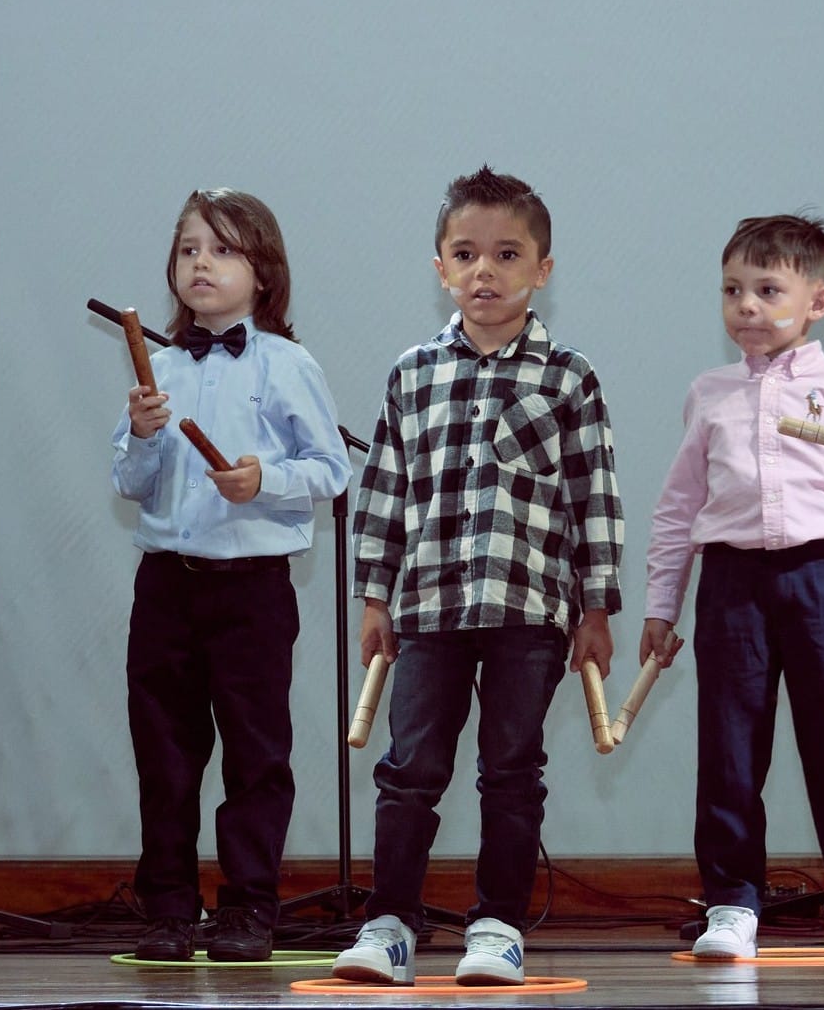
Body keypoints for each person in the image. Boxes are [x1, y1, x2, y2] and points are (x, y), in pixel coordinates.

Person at [337, 166, 621, 986]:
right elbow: (385, 489)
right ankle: (389, 923)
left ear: (542, 270)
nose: (484, 271)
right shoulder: (412, 373)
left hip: (529, 610)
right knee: (408, 770)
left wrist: (595, 606)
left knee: (510, 769)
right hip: (426, 608)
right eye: (465, 254)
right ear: (440, 269)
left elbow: (591, 495)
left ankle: (495, 925)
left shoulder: (567, 375)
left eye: (506, 254)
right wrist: (373, 595)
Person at [641, 214, 824, 962]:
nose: (746, 306)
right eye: (732, 290)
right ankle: (731, 902)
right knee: (729, 752)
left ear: (816, 301)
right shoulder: (709, 393)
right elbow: (677, 509)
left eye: (767, 289)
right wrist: (661, 606)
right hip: (731, 584)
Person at [111, 189, 350, 963]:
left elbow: (330, 469)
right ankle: (168, 911)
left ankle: (249, 909)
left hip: (251, 590)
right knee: (166, 755)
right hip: (166, 586)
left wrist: (264, 480)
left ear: (264, 270)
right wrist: (143, 438)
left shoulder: (288, 363)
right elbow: (130, 483)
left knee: (256, 757)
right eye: (187, 249)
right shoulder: (162, 367)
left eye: (221, 249)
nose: (200, 263)